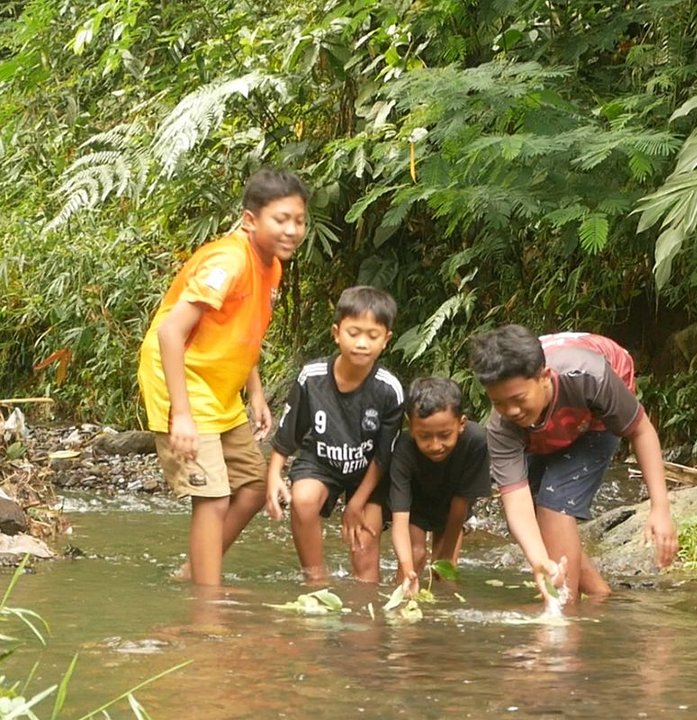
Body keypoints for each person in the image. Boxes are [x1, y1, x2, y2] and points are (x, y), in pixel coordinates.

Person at [137, 168, 309, 588]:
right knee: (212, 497)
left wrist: (256, 392)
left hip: (219, 388)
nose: (292, 230)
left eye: (299, 220)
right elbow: (170, 332)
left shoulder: (271, 267)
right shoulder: (228, 260)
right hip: (180, 380)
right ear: (250, 221)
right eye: (280, 219)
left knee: (251, 486)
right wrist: (181, 415)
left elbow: (241, 332)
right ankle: (208, 606)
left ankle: (195, 571)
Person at [469, 326, 677, 605]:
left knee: (554, 506)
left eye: (518, 400)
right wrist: (539, 561)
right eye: (499, 403)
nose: (511, 411)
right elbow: (517, 505)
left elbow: (641, 431)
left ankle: (564, 612)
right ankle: (599, 595)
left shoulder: (589, 376)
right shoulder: (502, 426)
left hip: (594, 411)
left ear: (543, 377)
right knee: (533, 518)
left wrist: (659, 508)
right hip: (545, 423)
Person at [265, 286, 404, 583]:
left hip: (368, 472)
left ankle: (364, 613)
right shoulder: (311, 377)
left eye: (372, 335)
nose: (362, 343)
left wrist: (356, 503)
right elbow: (287, 432)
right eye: (354, 333)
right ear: (336, 332)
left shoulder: (388, 390)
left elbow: (383, 456)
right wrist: (274, 474)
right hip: (321, 462)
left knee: (365, 563)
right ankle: (316, 582)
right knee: (303, 500)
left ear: (386, 340)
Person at [389, 377, 492, 593]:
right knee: (414, 557)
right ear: (411, 425)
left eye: (445, 435)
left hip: (452, 505)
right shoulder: (403, 449)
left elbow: (460, 504)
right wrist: (407, 570)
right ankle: (400, 611)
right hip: (415, 505)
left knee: (444, 572)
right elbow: (400, 519)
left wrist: (445, 556)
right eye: (424, 436)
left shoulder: (475, 441)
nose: (435, 445)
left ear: (461, 424)